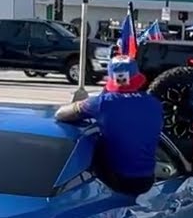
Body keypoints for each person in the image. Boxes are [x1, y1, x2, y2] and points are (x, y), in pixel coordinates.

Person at [54, 56, 164, 196]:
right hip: (146, 180)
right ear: (137, 77)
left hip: (116, 180)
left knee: (97, 141)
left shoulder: (102, 103)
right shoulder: (154, 103)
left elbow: (60, 114)